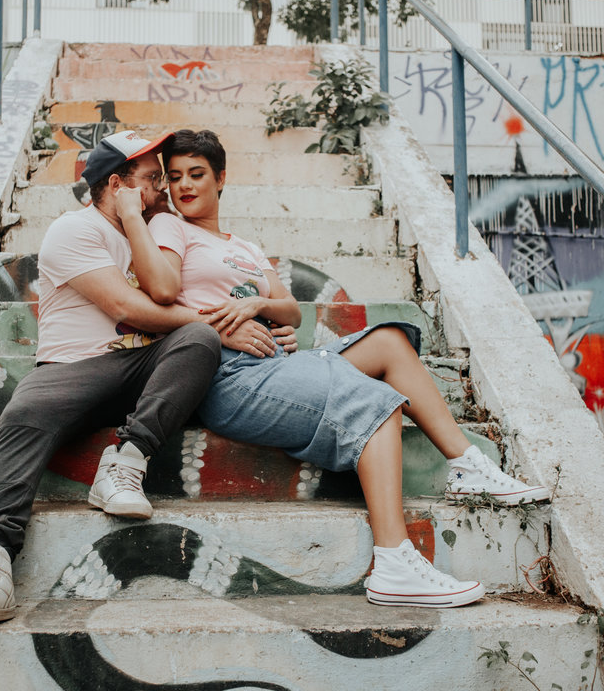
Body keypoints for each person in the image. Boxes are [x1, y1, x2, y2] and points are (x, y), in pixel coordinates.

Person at [131, 129, 551, 608]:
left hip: (273, 363)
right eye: (176, 177)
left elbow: (291, 311)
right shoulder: (170, 228)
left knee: (390, 341)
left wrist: (256, 306)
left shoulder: (243, 246)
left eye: (197, 174)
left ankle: (467, 466)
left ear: (221, 178)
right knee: (375, 403)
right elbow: (162, 294)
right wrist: (223, 325)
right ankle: (393, 564)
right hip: (228, 375)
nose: (185, 185)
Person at [0, 130, 280, 629]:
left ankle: (125, 462)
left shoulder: (159, 233)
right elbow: (124, 306)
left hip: (145, 370)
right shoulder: (75, 229)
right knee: (25, 411)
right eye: (153, 179)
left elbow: (207, 285)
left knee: (198, 341)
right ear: (118, 185)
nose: (164, 188)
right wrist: (222, 324)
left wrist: (260, 322)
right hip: (74, 370)